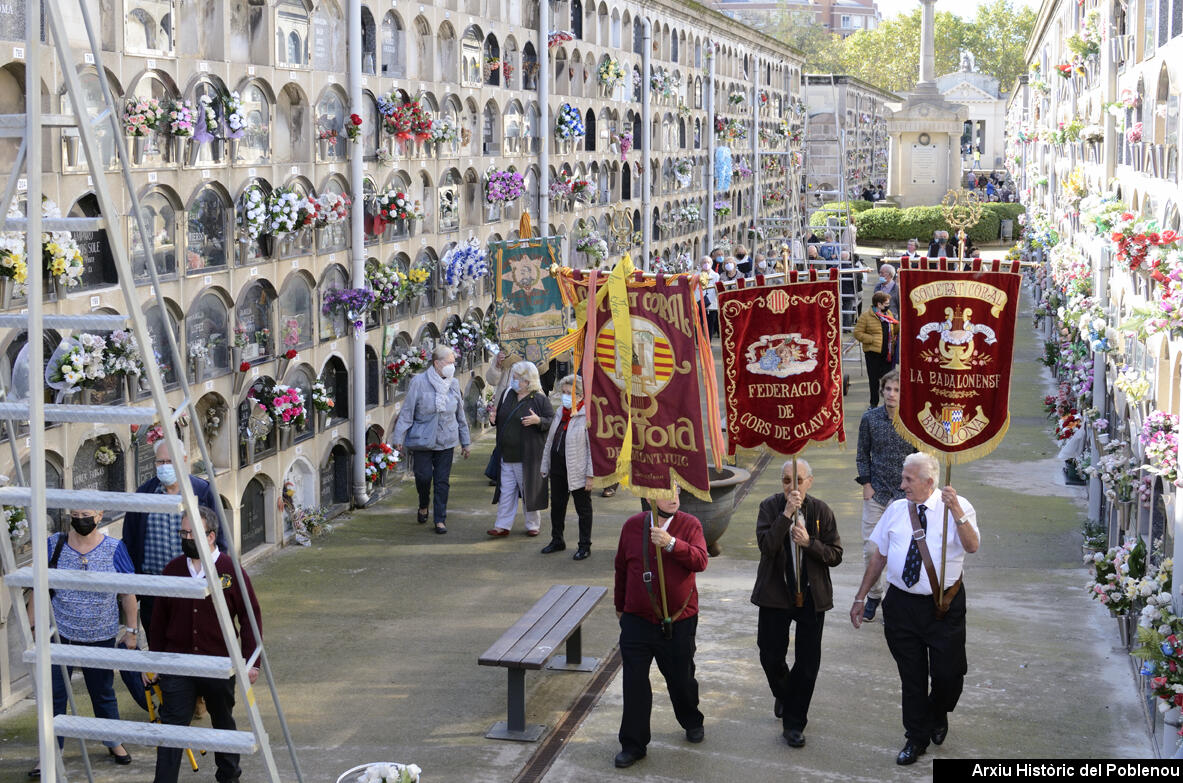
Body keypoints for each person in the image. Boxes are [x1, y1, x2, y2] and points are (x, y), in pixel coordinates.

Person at [850, 452, 980, 766]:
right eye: (903, 478)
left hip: (942, 606)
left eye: (908, 479)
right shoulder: (896, 510)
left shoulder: (956, 506)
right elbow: (878, 557)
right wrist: (860, 597)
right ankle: (916, 736)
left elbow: (973, 545)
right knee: (912, 677)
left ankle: (938, 711)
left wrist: (957, 512)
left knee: (949, 675)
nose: (902, 484)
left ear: (929, 482)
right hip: (901, 606)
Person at [150, 506, 262, 783]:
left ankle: (229, 776)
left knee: (223, 721)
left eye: (193, 533)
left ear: (211, 536)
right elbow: (158, 621)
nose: (186, 538)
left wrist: (251, 662)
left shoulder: (230, 570)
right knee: (173, 728)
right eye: (183, 532)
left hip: (218, 664)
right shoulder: (173, 569)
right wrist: (153, 661)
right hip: (177, 663)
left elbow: (250, 617)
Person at [28, 509, 136, 776]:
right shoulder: (54, 544)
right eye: (75, 514)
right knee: (53, 694)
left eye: (86, 514)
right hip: (59, 631)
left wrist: (132, 630)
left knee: (102, 692)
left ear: (99, 515)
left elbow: (128, 592)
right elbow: (37, 586)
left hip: (100, 634)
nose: (80, 519)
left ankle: (113, 741)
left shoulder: (114, 548)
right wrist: (32, 627)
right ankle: (50, 752)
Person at [613, 489, 708, 769]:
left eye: (676, 490)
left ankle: (691, 719)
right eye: (666, 491)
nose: (674, 496)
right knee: (634, 683)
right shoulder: (632, 526)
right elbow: (621, 567)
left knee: (681, 679)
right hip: (636, 621)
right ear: (649, 497)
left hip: (678, 621)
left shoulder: (690, 525)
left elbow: (700, 561)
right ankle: (633, 744)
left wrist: (670, 544)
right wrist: (620, 605)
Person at [751, 460, 842, 749]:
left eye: (799, 480)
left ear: (810, 482)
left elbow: (836, 554)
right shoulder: (769, 507)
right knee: (769, 655)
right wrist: (786, 515)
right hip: (776, 594)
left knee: (807, 662)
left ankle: (794, 723)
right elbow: (767, 547)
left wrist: (809, 543)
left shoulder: (821, 511)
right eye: (787, 480)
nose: (793, 487)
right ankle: (785, 692)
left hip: (811, 597)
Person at [122, 439, 224, 635]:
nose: (164, 467)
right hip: (154, 588)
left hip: (193, 585)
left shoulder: (203, 492)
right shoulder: (144, 493)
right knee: (158, 645)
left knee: (193, 642)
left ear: (183, 459)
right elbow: (131, 539)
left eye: (170, 461)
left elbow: (220, 539)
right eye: (160, 462)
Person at [854, 369, 915, 622]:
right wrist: (866, 484)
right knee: (871, 548)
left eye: (897, 390)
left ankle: (894, 600)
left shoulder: (913, 421)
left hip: (904, 495)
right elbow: (862, 454)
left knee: (901, 550)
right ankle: (874, 594)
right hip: (877, 492)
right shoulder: (870, 419)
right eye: (888, 389)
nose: (891, 394)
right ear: (882, 391)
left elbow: (922, 459)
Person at [393, 345, 472, 534]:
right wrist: (398, 437)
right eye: (450, 362)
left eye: (454, 362)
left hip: (446, 439)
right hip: (423, 439)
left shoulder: (453, 384)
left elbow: (460, 414)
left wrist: (465, 442)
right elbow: (407, 411)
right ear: (437, 364)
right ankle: (423, 504)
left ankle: (439, 519)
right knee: (423, 477)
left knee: (442, 481)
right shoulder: (419, 382)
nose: (453, 366)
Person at [488, 361, 553, 536]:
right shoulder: (508, 394)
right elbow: (500, 415)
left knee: (528, 490)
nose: (513, 382)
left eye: (517, 379)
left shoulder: (539, 399)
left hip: (528, 456)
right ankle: (502, 525)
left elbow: (551, 421)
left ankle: (532, 525)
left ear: (527, 381)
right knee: (506, 491)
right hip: (506, 454)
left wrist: (538, 421)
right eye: (514, 378)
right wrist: (493, 418)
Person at [539, 374, 594, 560]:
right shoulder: (560, 411)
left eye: (567, 393)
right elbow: (550, 440)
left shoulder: (587, 415)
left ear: (579, 395)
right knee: (557, 505)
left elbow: (592, 450)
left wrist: (590, 474)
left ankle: (584, 545)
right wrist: (545, 463)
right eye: (562, 392)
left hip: (577, 468)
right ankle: (557, 540)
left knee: (583, 509)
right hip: (558, 467)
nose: (563, 396)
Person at [853, 292, 898, 407]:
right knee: (874, 381)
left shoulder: (888, 313)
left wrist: (899, 325)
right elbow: (857, 333)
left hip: (887, 354)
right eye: (886, 303)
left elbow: (894, 329)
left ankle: (887, 405)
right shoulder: (866, 316)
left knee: (887, 381)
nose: (888, 305)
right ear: (879, 304)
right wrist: (872, 339)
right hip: (873, 355)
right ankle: (873, 404)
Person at [696, 256, 720, 339]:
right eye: (704, 262)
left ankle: (708, 342)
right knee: (699, 324)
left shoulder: (716, 275)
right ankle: (698, 342)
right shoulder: (696, 275)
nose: (706, 264)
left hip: (712, 303)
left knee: (710, 324)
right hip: (699, 302)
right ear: (701, 264)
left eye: (708, 262)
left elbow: (717, 288)